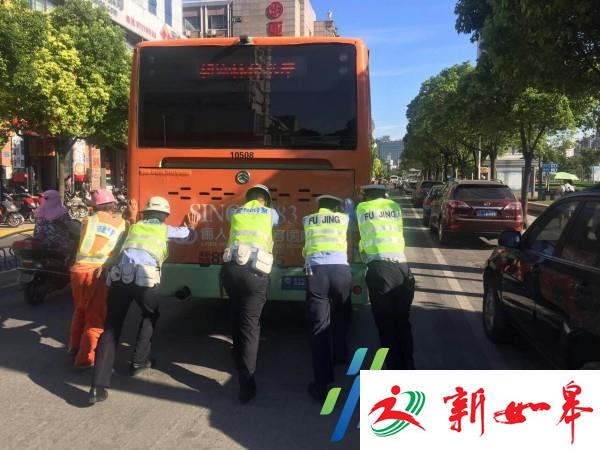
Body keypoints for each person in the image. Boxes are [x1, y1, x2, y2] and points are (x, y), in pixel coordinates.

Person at [89, 197, 199, 404]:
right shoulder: (164, 230)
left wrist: (132, 216)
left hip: (120, 278)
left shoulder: (135, 227)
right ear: (164, 216)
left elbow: (120, 245)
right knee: (150, 314)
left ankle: (97, 387)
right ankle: (138, 361)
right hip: (144, 281)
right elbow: (188, 236)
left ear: (145, 214)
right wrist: (192, 227)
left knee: (111, 328)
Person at [221, 184, 279, 404]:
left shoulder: (237, 212)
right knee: (250, 326)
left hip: (230, 270)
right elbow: (276, 222)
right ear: (266, 200)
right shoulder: (270, 213)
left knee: (235, 312)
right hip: (254, 272)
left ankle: (236, 355)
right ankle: (246, 385)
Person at [356, 184, 415, 370]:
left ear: (367, 196)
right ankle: (408, 366)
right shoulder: (394, 207)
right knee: (402, 322)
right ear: (385, 194)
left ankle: (393, 368)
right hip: (403, 268)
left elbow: (361, 235)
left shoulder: (363, 208)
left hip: (380, 270)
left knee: (386, 325)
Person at [68, 189, 127, 369]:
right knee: (95, 317)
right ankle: (84, 359)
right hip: (98, 273)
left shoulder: (88, 220)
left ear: (94, 206)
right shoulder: (121, 224)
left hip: (78, 270)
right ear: (113, 205)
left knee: (80, 309)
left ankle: (74, 346)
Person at [302, 195, 351, 402]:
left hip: (316, 272)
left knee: (319, 325)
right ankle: (340, 355)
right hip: (341, 271)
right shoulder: (343, 218)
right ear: (336, 207)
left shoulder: (308, 220)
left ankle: (322, 384)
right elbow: (351, 214)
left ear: (319, 207)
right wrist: (347, 205)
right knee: (342, 312)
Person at [33, 190, 75, 255]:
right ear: (57, 199)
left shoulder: (40, 211)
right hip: (59, 245)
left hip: (40, 244)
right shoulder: (62, 212)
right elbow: (69, 226)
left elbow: (36, 230)